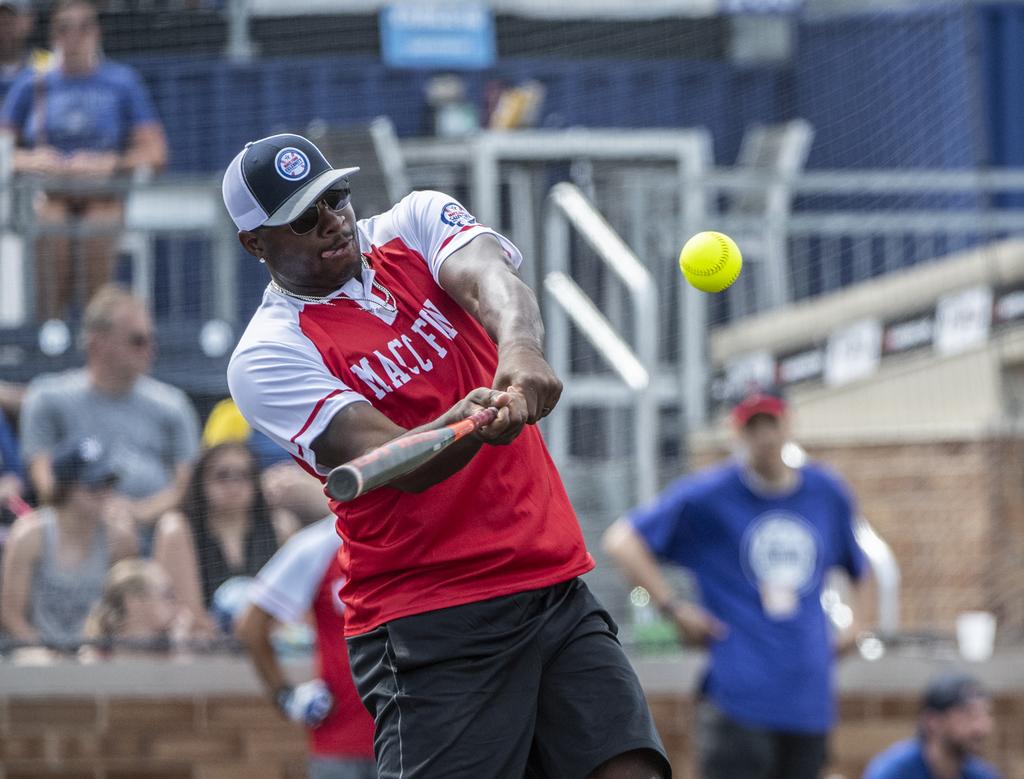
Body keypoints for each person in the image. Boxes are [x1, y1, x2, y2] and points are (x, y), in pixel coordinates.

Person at [222, 133, 670, 779]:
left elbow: (493, 279)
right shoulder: (267, 353)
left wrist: (520, 348)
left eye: (335, 197)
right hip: (431, 617)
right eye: (303, 216)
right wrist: (457, 425)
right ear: (255, 243)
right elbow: (382, 453)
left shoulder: (414, 220)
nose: (331, 220)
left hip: (548, 582)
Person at [603, 386, 868, 779]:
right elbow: (622, 542)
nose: (764, 436)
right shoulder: (712, 495)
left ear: (788, 423)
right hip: (739, 695)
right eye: (753, 426)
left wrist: (860, 625)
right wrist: (673, 608)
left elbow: (861, 567)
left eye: (771, 423)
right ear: (737, 432)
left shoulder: (826, 493)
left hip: (807, 696)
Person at [0, 0, 167, 320]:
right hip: (50, 194)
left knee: (96, 228)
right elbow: (3, 151)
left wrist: (111, 163)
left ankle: (93, 330)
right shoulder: (31, 84)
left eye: (83, 28)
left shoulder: (122, 82)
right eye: (64, 28)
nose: (74, 37)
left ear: (97, 32)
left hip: (103, 194)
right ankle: (49, 331)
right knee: (51, 231)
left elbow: (156, 152)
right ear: (53, 35)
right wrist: (30, 159)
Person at [19, 283, 200, 552]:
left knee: (174, 528)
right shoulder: (46, 398)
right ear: (98, 344)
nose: (150, 348)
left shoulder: (173, 405)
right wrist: (98, 513)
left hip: (154, 548)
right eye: (138, 340)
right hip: (74, 547)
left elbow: (186, 488)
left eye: (152, 339)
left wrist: (135, 513)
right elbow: (45, 482)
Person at [235, 516, 376, 779]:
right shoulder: (320, 544)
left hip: (415, 736)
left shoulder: (416, 533)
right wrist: (284, 696)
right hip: (340, 742)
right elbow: (251, 627)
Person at [0, 436, 136, 648]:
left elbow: (126, 611)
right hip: (37, 657)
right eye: (94, 485)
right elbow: (11, 615)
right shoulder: (29, 535)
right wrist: (50, 657)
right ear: (65, 489)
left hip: (99, 658)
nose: (104, 493)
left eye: (109, 483)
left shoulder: (120, 539)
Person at [154, 441, 298, 636]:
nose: (233, 486)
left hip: (267, 641)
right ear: (201, 480)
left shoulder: (281, 526)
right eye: (222, 476)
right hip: (201, 647)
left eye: (243, 476)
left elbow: (291, 607)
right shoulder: (177, 530)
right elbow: (187, 615)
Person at [864, 673, 1001, 779]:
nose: (981, 727)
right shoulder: (894, 771)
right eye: (968, 715)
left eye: (986, 715)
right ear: (933, 721)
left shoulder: (981, 774)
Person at [80, 557, 182, 658]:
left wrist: (180, 643)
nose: (175, 602)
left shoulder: (172, 650)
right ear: (135, 601)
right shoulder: (97, 656)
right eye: (167, 594)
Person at [0, 0, 49, 106]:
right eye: (1, 17)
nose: (5, 22)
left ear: (30, 20)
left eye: (13, 16)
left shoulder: (50, 65)